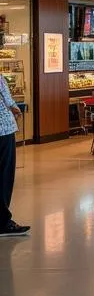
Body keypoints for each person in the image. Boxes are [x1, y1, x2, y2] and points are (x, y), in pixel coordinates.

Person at [0, 60, 29, 237]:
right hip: (3, 129)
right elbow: (7, 97)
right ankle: (3, 222)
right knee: (3, 176)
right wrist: (15, 109)